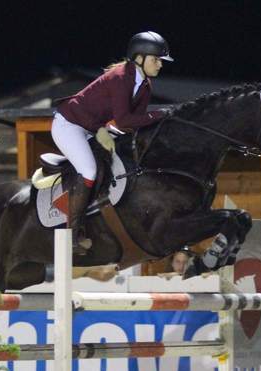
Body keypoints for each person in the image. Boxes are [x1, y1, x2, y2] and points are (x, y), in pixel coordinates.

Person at [52, 31, 173, 254]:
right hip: (69, 124)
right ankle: (73, 233)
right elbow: (126, 120)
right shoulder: (120, 77)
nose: (160, 65)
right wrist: (161, 114)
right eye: (156, 59)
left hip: (94, 128)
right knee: (89, 170)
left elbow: (134, 124)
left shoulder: (145, 86)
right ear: (139, 58)